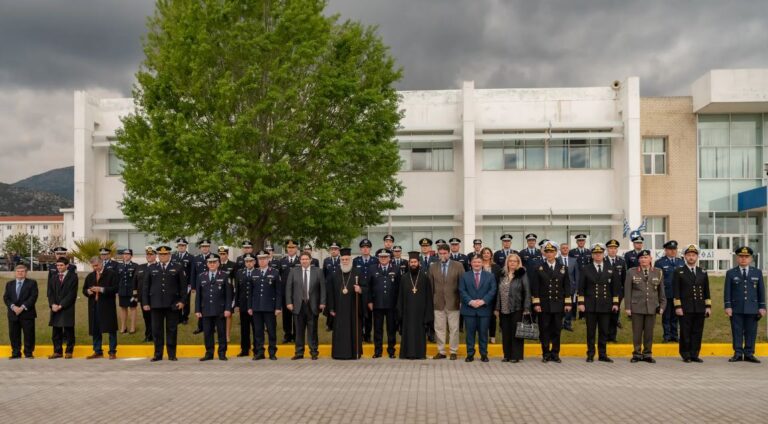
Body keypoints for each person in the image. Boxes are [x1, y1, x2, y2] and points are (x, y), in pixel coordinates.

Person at [143, 245, 187, 361]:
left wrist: (182, 301)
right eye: (161, 254)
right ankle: (158, 354)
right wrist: (145, 303)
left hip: (172, 304)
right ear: (158, 255)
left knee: (172, 330)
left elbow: (183, 287)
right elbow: (146, 287)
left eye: (165, 254)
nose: (163, 256)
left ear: (169, 255)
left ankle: (172, 354)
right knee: (157, 330)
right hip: (155, 304)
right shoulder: (151, 268)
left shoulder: (177, 267)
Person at [530, 241, 571, 363]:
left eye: (552, 252)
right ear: (544, 253)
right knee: (544, 329)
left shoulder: (563, 268)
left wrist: (568, 303)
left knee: (557, 329)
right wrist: (536, 304)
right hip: (544, 304)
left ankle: (555, 353)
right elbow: (535, 287)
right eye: (547, 252)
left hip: (558, 304)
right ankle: (546, 353)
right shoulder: (539, 268)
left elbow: (567, 286)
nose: (549, 254)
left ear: (556, 253)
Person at [578, 243, 619, 363]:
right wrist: (581, 303)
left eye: (600, 253)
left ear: (603, 254)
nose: (598, 256)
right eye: (595, 254)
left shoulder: (611, 268)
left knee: (604, 331)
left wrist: (615, 303)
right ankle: (590, 354)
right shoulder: (586, 269)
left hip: (605, 305)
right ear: (592, 255)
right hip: (590, 305)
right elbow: (581, 288)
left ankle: (602, 354)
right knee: (590, 332)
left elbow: (615, 288)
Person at [724, 246, 766, 363]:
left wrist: (762, 307)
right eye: (741, 257)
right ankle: (738, 353)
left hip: (752, 308)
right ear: (737, 258)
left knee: (751, 331)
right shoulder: (731, 273)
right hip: (736, 308)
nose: (743, 259)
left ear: (751, 258)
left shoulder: (757, 272)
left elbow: (761, 291)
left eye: (746, 257)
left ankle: (749, 353)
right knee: (737, 331)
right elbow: (727, 291)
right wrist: (728, 306)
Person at [672, 244, 711, 363]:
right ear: (684, 257)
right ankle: (686, 354)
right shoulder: (679, 272)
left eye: (693, 255)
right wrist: (678, 306)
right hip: (685, 307)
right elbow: (676, 291)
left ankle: (695, 354)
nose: (691, 257)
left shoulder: (702, 272)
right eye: (688, 255)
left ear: (697, 257)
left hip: (699, 307)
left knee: (697, 331)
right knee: (685, 331)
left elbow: (706, 291)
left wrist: (708, 306)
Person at [625, 250, 665, 363]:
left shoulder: (658, 272)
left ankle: (647, 354)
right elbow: (627, 291)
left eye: (646, 257)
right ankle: (637, 354)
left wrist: (662, 305)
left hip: (652, 307)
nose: (643, 260)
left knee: (649, 332)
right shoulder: (631, 272)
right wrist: (628, 307)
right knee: (637, 332)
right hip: (636, 307)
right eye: (641, 258)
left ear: (650, 259)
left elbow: (661, 292)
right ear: (639, 260)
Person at [286, 252, 326, 360]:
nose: (304, 261)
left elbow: (323, 288)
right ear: (300, 261)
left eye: (306, 259)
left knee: (313, 330)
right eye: (302, 259)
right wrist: (289, 302)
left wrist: (322, 302)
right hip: (298, 305)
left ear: (310, 260)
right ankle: (299, 352)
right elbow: (289, 288)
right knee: (299, 331)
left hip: (312, 305)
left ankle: (314, 352)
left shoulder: (318, 271)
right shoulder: (293, 271)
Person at [327, 248, 365, 359]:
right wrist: (331, 308)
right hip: (339, 309)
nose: (344, 261)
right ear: (340, 260)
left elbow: (366, 288)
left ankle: (354, 353)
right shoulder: (335, 274)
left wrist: (360, 289)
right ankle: (339, 353)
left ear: (350, 260)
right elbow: (331, 292)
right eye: (342, 259)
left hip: (353, 308)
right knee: (340, 330)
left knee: (353, 329)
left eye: (346, 259)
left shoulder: (357, 273)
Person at [428, 243, 463, 360]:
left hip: (454, 302)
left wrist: (461, 300)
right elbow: (431, 286)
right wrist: (431, 301)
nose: (442, 255)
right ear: (438, 253)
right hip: (438, 303)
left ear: (449, 253)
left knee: (454, 328)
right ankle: (441, 351)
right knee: (439, 328)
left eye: (445, 253)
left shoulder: (458, 266)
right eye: (440, 253)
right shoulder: (433, 267)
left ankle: (453, 351)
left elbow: (462, 285)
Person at [196, 255, 233, 361]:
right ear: (207, 264)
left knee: (221, 332)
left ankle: (222, 353)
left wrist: (228, 309)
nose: (212, 264)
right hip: (206, 309)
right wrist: (198, 309)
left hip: (220, 309)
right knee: (207, 332)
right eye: (210, 262)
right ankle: (209, 353)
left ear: (218, 263)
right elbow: (198, 295)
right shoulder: (201, 276)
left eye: (214, 262)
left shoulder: (225, 275)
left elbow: (228, 295)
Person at [460, 256, 497, 362]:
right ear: (471, 263)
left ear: (482, 263)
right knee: (470, 334)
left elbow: (493, 290)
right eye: (474, 262)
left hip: (484, 309)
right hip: (469, 309)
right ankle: (470, 354)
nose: (476, 264)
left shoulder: (490, 276)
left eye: (479, 262)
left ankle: (484, 354)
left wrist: (483, 301)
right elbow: (462, 290)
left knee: (483, 333)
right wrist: (471, 302)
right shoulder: (464, 276)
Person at [495, 253, 531, 363]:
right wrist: (497, 308)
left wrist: (526, 308)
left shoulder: (522, 274)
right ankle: (507, 355)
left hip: (517, 307)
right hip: (504, 308)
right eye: (510, 261)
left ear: (518, 263)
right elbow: (498, 292)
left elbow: (527, 291)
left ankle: (516, 356)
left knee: (516, 332)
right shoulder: (502, 274)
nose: (512, 263)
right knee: (505, 332)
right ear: (507, 262)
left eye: (515, 261)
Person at [398, 252, 433, 359]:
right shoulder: (404, 278)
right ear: (408, 263)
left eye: (415, 262)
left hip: (420, 313)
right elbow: (400, 296)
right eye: (411, 262)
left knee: (419, 333)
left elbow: (429, 297)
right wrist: (400, 312)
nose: (413, 264)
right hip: (407, 312)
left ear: (419, 263)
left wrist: (428, 313)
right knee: (407, 332)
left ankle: (420, 354)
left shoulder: (424, 277)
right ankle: (406, 354)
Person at [248, 250, 283, 360]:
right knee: (258, 331)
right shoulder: (254, 273)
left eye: (264, 259)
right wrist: (250, 307)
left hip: (270, 307)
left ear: (268, 260)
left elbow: (278, 292)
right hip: (257, 307)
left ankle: (272, 352)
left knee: (271, 331)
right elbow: (250, 293)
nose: (262, 261)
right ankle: (259, 352)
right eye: (260, 259)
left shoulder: (275, 273)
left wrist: (278, 307)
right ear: (257, 261)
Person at [83, 257, 119, 359]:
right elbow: (84, 289)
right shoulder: (90, 276)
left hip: (107, 305)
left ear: (101, 263)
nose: (95, 268)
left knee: (111, 329)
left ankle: (112, 351)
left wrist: (101, 289)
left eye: (96, 265)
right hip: (94, 305)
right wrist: (88, 292)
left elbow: (116, 288)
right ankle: (97, 350)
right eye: (93, 266)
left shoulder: (111, 274)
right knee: (95, 328)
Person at [368, 248, 400, 358]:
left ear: (390, 258)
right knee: (377, 329)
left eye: (385, 256)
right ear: (378, 258)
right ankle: (378, 351)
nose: (383, 258)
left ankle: (391, 351)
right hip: (377, 304)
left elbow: (399, 287)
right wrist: (370, 301)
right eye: (381, 257)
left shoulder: (396, 269)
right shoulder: (372, 269)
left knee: (391, 329)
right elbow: (369, 287)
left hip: (392, 304)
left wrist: (398, 303)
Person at [4, 264, 38, 359]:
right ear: (15, 273)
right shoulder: (9, 284)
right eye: (18, 271)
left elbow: (33, 297)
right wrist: (13, 307)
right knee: (14, 334)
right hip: (13, 313)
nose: (20, 273)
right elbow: (6, 297)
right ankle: (16, 353)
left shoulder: (32, 283)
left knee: (29, 334)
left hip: (27, 313)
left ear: (26, 273)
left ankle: (28, 353)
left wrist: (22, 307)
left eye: (22, 271)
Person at [47, 257, 79, 359]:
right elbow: (50, 293)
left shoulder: (73, 277)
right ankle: (57, 351)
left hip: (66, 307)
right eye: (57, 265)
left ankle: (69, 351)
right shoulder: (54, 277)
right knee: (56, 330)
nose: (59, 267)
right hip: (55, 307)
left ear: (67, 266)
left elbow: (72, 294)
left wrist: (61, 305)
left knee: (69, 329)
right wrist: (52, 304)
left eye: (61, 265)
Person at [655, 240, 684, 343]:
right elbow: (657, 280)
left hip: (678, 294)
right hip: (666, 294)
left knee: (676, 316)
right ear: (666, 250)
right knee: (666, 316)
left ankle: (675, 335)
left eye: (674, 249)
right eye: (670, 249)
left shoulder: (681, 262)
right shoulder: (660, 263)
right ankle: (667, 336)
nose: (672, 251)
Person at [353, 238, 377, 343]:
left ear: (370, 249)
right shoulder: (356, 261)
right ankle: (360, 335)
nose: (365, 249)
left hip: (371, 291)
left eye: (367, 247)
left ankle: (368, 335)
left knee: (369, 315)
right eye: (363, 247)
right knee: (359, 314)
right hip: (359, 291)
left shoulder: (375, 260)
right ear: (360, 249)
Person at [235, 250, 257, 357]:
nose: (249, 263)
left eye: (251, 261)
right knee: (244, 329)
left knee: (256, 328)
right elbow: (237, 290)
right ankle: (244, 349)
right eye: (247, 261)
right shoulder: (239, 273)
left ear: (254, 262)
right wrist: (237, 305)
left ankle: (257, 349)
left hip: (255, 305)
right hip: (243, 305)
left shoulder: (258, 272)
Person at [279, 239, 301, 343]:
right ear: (286, 249)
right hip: (285, 293)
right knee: (286, 316)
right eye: (289, 247)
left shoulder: (301, 260)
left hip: (297, 293)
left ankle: (297, 335)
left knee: (297, 315)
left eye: (293, 247)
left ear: (296, 248)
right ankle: (287, 335)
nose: (291, 249)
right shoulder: (282, 261)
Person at [605, 239, 627, 342]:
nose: (613, 250)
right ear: (607, 250)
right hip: (605, 293)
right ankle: (604, 336)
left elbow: (624, 279)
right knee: (605, 315)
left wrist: (623, 293)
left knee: (615, 315)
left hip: (617, 293)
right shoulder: (602, 260)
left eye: (614, 248)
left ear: (617, 250)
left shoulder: (621, 261)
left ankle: (612, 337)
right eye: (610, 248)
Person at [480, 247, 502, 343]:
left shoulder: (496, 267)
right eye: (484, 253)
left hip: (493, 295)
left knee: (492, 316)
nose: (486, 255)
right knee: (482, 317)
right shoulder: (478, 265)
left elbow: (499, 282)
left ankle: (492, 336)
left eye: (488, 253)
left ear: (491, 255)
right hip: (480, 295)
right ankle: (483, 335)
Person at [192, 239, 214, 335]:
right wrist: (193, 286)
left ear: (209, 247)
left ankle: (212, 327)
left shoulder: (213, 257)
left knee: (212, 303)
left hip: (212, 284)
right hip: (200, 284)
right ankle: (200, 326)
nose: (205, 248)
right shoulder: (196, 258)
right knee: (200, 304)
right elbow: (193, 273)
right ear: (200, 248)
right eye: (203, 247)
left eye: (206, 246)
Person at [134, 246, 156, 342]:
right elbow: (134, 283)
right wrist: (135, 296)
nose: (149, 256)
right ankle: (148, 336)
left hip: (155, 298)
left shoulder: (159, 266)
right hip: (143, 298)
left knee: (155, 318)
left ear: (155, 256)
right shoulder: (140, 267)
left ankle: (156, 336)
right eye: (148, 254)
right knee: (146, 318)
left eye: (151, 254)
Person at [171, 238, 194, 325]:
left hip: (186, 283)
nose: (181, 247)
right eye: (180, 245)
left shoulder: (191, 257)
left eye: (183, 245)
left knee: (186, 300)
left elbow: (192, 272)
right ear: (177, 246)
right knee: (176, 299)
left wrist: (191, 284)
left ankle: (185, 317)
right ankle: (178, 317)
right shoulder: (173, 256)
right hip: (175, 283)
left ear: (186, 246)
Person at [217, 246, 237, 342]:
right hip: (218, 293)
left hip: (229, 293)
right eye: (220, 254)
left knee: (228, 315)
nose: (222, 256)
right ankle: (221, 336)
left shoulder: (233, 265)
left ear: (227, 254)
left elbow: (236, 280)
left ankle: (227, 336)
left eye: (224, 254)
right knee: (219, 314)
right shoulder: (216, 264)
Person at [559, 242, 580, 332]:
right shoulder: (556, 260)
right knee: (559, 306)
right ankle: (559, 324)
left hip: (571, 287)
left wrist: (576, 287)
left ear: (568, 249)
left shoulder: (574, 260)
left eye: (566, 248)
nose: (565, 249)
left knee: (569, 305)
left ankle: (567, 323)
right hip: (559, 287)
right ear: (560, 249)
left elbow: (577, 275)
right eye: (563, 248)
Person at [117, 248, 138, 334]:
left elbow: (137, 279)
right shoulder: (119, 266)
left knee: (133, 308)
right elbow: (117, 279)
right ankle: (123, 326)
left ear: (131, 256)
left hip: (132, 292)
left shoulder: (135, 266)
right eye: (124, 254)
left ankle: (132, 327)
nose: (126, 255)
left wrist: (136, 291)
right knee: (123, 308)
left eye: (128, 254)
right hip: (122, 291)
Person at [323, 242, 342, 331]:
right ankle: (329, 324)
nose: (333, 251)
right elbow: (324, 274)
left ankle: (338, 322)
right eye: (332, 249)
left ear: (339, 250)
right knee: (329, 304)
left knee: (338, 304)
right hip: (329, 287)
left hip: (339, 286)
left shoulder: (342, 260)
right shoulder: (326, 261)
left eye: (335, 249)